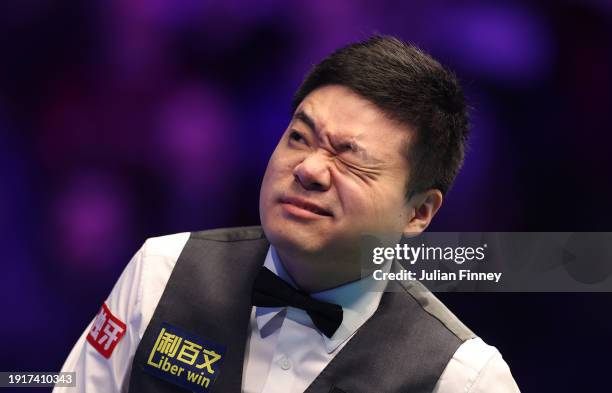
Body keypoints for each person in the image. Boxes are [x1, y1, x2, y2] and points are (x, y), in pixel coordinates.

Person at [54, 36, 519, 392]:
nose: (309, 169)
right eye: (300, 137)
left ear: (418, 212)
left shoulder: (461, 376)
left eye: (350, 158)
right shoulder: (162, 270)